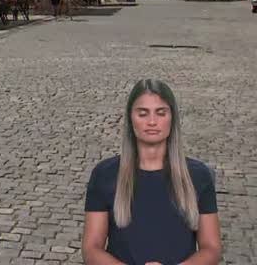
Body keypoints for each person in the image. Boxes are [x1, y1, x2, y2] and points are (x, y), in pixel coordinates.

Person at [82, 79, 221, 265]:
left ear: (172, 118)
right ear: (131, 119)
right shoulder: (104, 174)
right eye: (143, 113)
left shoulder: (198, 176)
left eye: (161, 113)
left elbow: (211, 248)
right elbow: (92, 248)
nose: (152, 121)